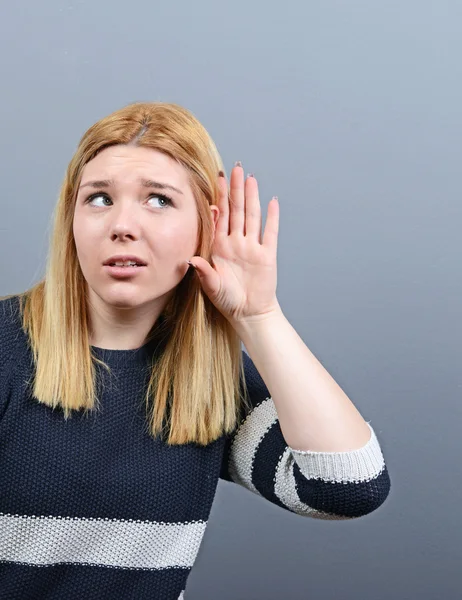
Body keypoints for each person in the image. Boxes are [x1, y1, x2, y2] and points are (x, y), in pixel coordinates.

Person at [0, 101, 391, 599]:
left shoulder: (206, 383)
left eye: (158, 200)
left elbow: (348, 489)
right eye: (98, 198)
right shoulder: (7, 349)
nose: (122, 225)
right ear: (71, 219)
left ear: (206, 227)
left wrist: (258, 317)